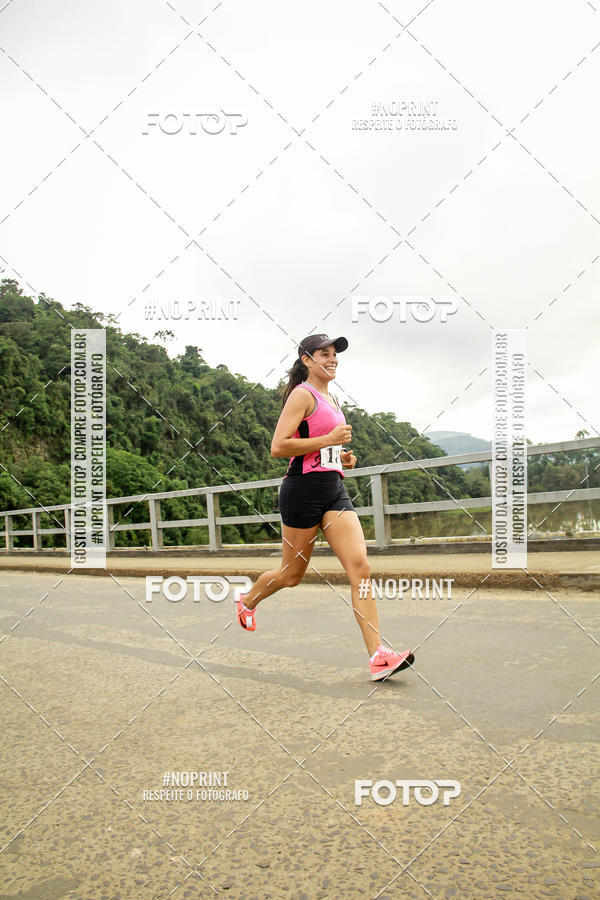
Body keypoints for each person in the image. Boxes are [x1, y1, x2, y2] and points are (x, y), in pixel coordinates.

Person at [235, 333, 414, 681]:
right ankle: (247, 600)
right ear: (307, 360)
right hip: (301, 492)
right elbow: (279, 447)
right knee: (291, 575)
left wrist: (340, 457)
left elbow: (320, 451)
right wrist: (328, 441)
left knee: (360, 567)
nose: (332, 359)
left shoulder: (333, 400)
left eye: (335, 354)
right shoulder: (302, 395)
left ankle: (379, 656)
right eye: (324, 354)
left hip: (333, 491)